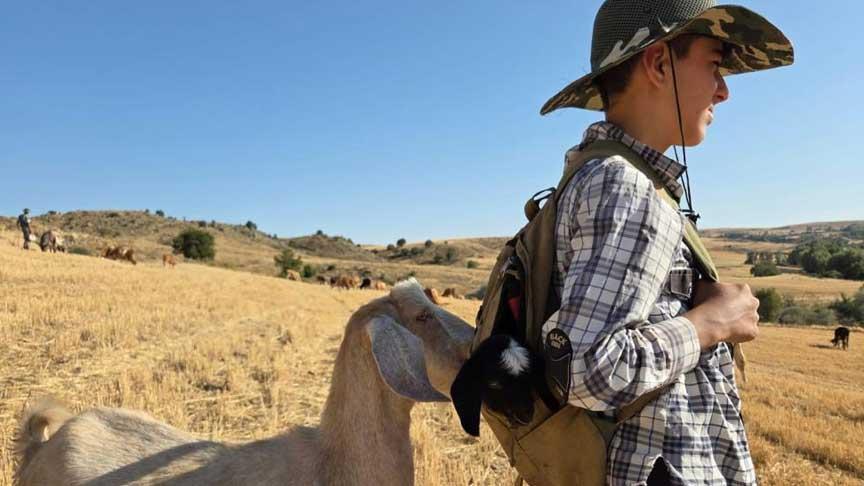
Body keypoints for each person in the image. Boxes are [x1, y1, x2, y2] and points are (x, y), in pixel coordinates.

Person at [537, 1, 793, 484]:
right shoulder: (625, 186)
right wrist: (712, 322)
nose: (724, 91)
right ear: (658, 63)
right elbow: (588, 368)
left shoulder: (596, 173)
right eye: (714, 65)